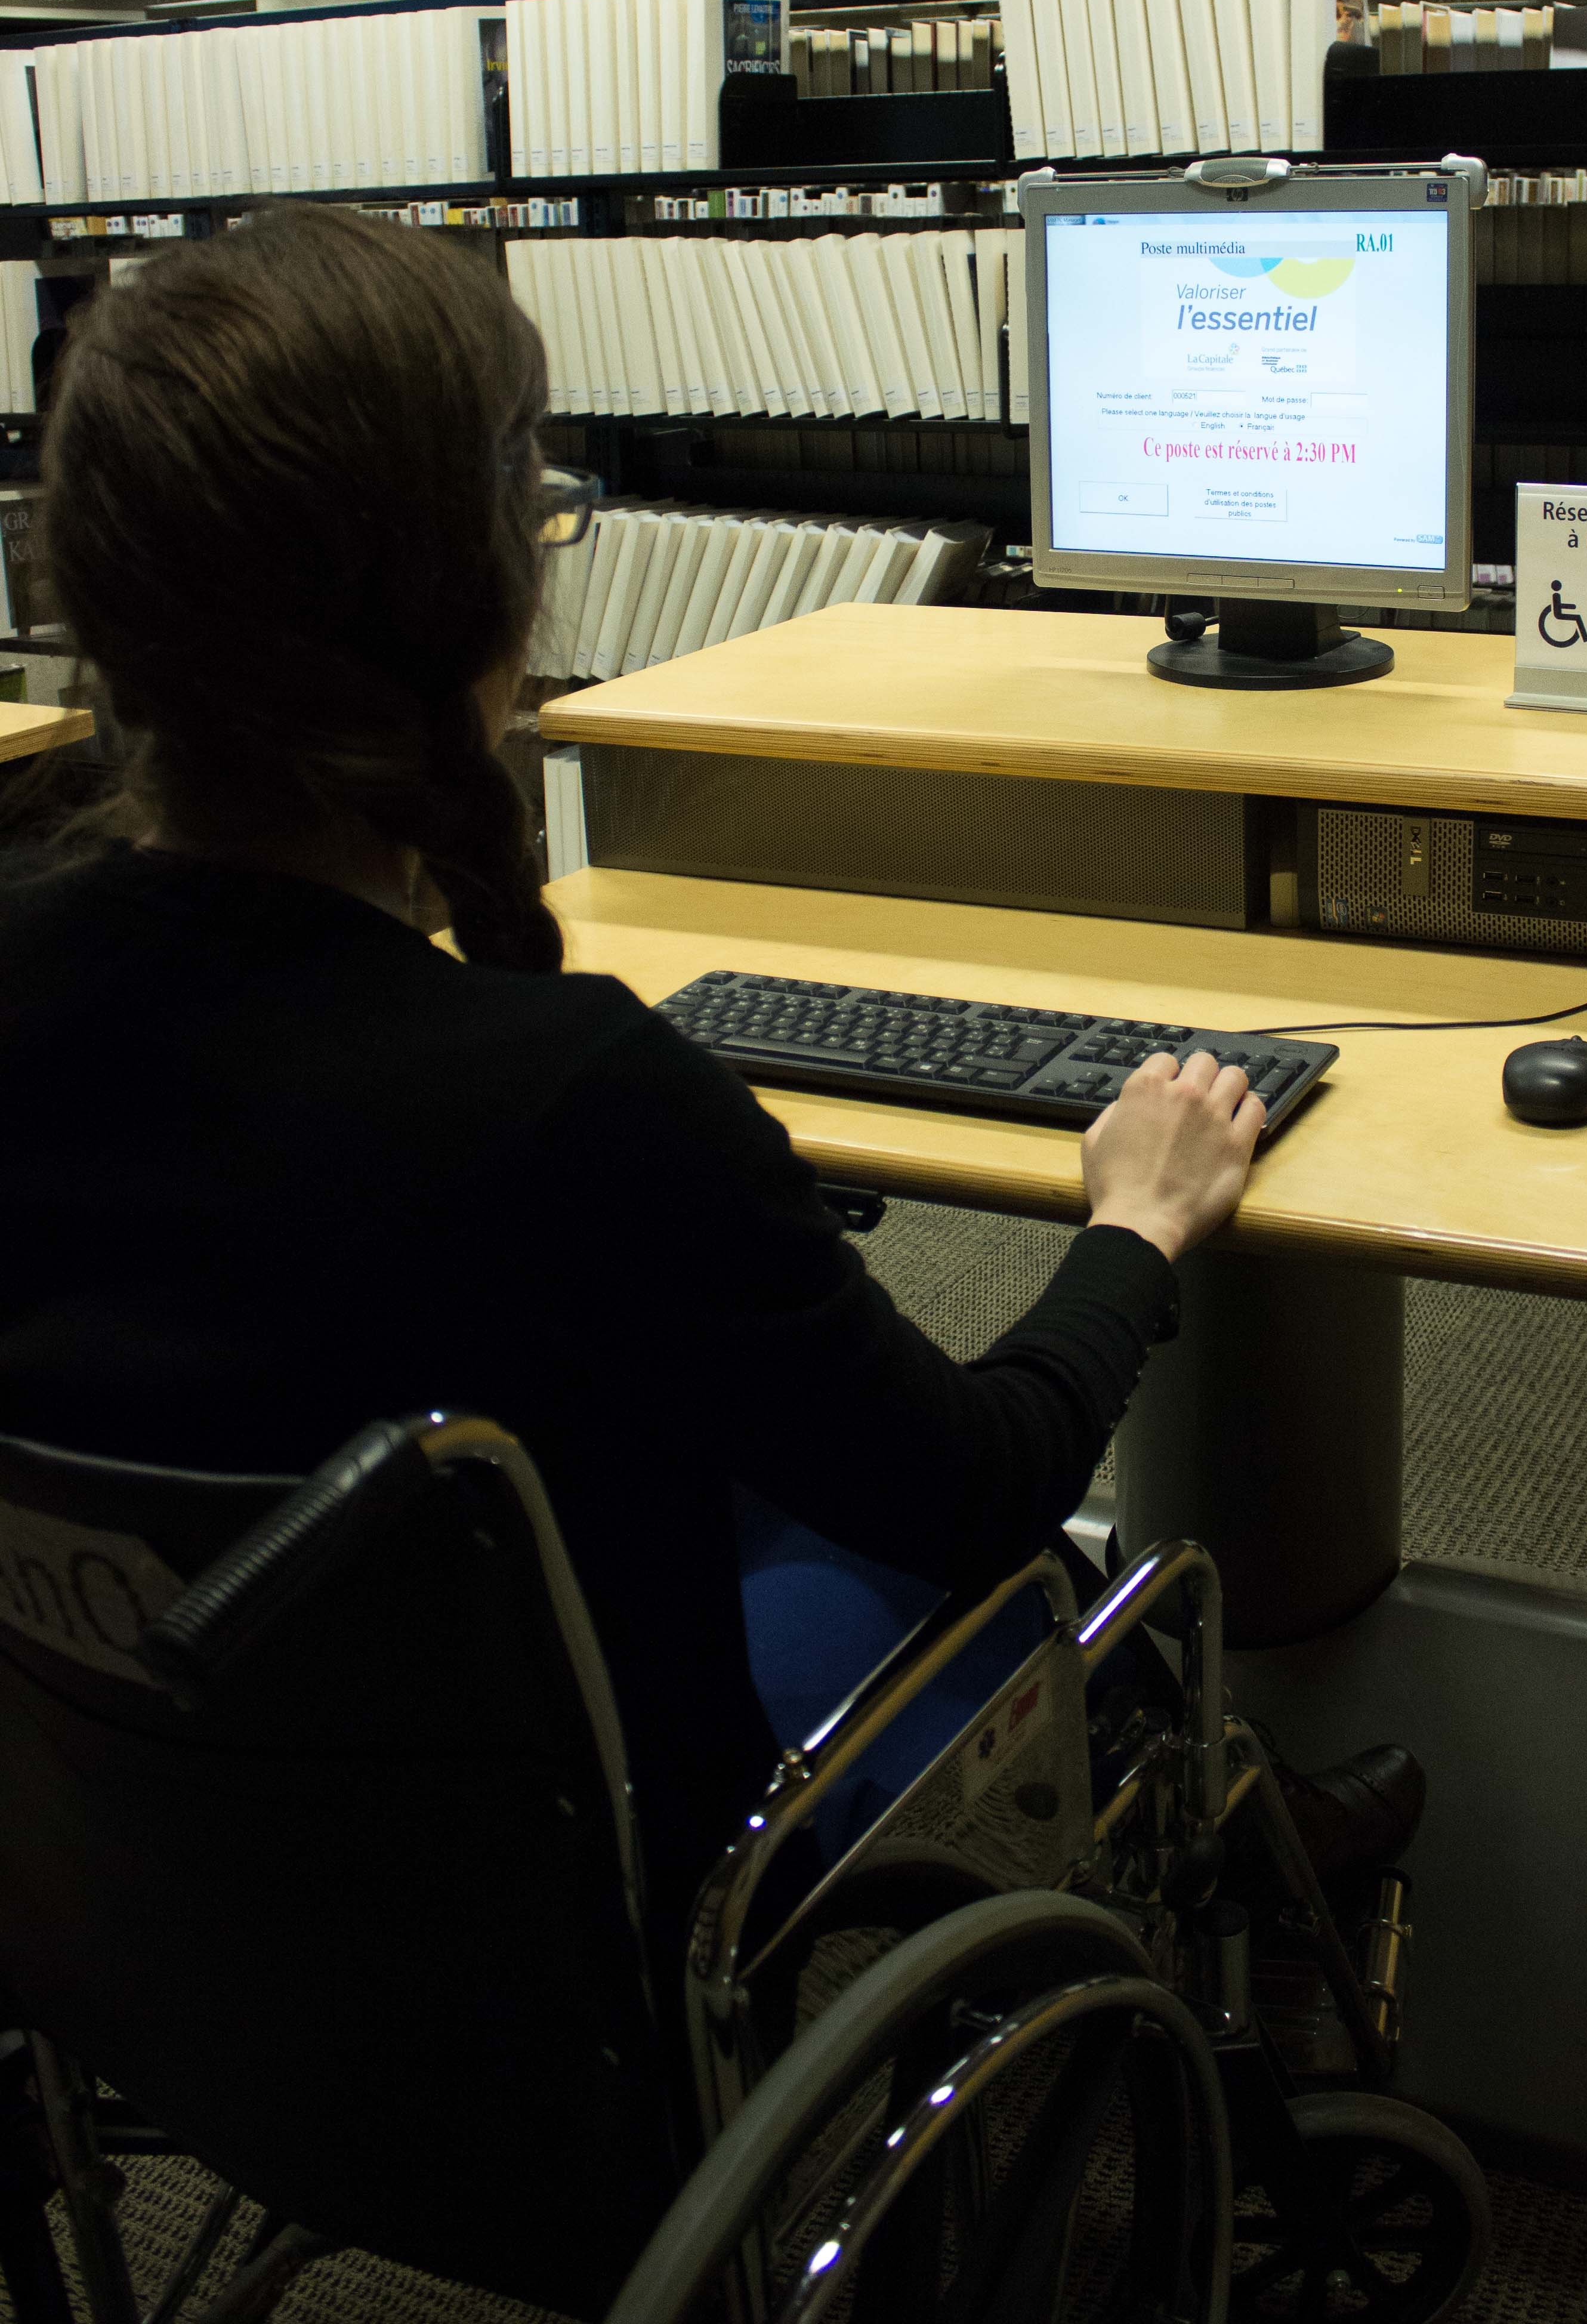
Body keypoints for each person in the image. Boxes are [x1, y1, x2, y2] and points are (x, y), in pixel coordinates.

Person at [0, 210, 1413, 1953]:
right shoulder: (575, 1103)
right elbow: (973, 1479)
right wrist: (1136, 1227)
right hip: (580, 1908)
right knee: (1023, 1576)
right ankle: (1206, 1825)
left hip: (154, 1886)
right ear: (494, 587)